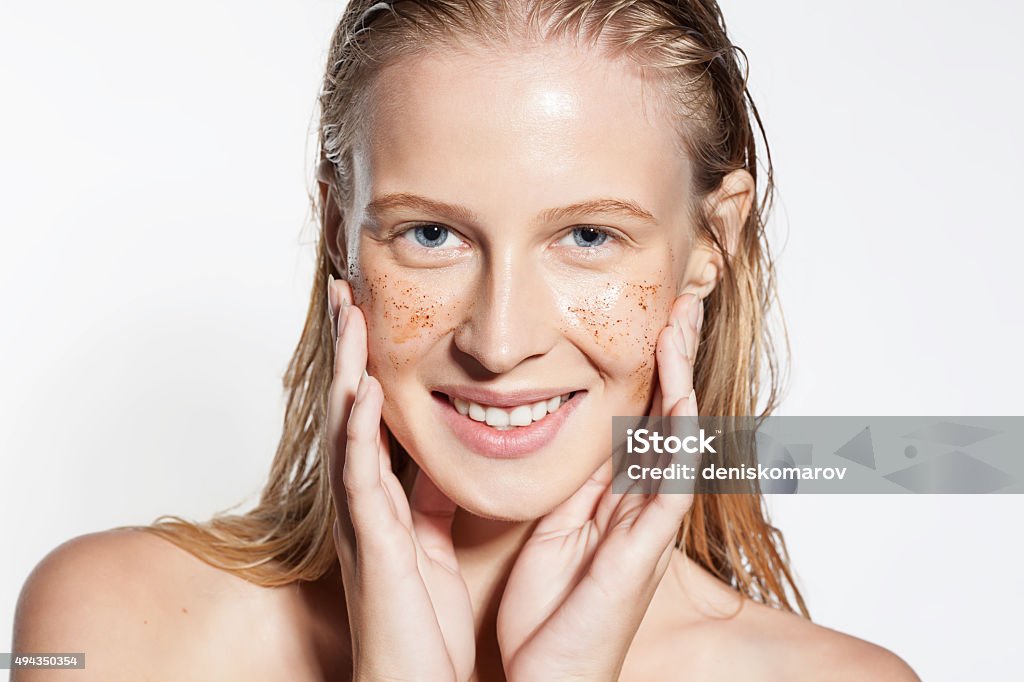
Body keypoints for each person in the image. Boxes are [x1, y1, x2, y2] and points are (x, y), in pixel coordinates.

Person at [13, 1, 920, 679]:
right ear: (339, 230)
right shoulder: (112, 627)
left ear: (710, 244)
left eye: (589, 237)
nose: (499, 340)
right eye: (431, 235)